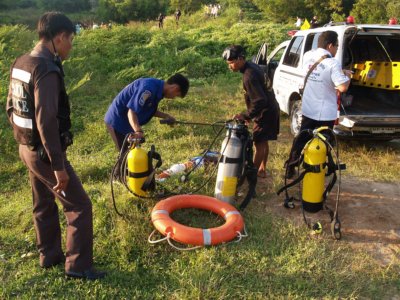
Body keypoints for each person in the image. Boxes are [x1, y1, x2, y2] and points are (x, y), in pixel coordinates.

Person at [5, 12, 105, 280]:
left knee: (43, 202)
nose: (71, 45)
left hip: (26, 149)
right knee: (80, 206)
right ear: (59, 37)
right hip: (45, 153)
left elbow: (10, 108)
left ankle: (49, 255)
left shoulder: (21, 62)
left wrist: (24, 141)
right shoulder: (46, 69)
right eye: (70, 39)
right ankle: (78, 266)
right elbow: (46, 120)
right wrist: (58, 165)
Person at [286, 31, 351, 178]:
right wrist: (347, 76)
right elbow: (342, 87)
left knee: (301, 139)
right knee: (325, 141)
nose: (336, 50)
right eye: (337, 46)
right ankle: (321, 167)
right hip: (325, 112)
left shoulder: (308, 56)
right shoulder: (332, 63)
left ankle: (291, 166)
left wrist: (339, 71)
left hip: (308, 108)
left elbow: (320, 71)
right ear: (330, 45)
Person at [222, 45, 280, 178]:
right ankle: (262, 169)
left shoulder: (249, 76)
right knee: (263, 140)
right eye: (228, 63)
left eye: (231, 63)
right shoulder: (252, 66)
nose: (229, 66)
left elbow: (260, 101)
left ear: (240, 59)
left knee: (258, 143)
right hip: (270, 108)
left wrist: (245, 115)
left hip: (265, 112)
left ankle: (252, 175)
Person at [104, 74, 189, 157]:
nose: (173, 98)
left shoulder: (158, 90)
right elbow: (131, 111)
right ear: (175, 88)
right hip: (117, 121)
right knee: (126, 158)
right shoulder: (148, 89)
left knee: (134, 157)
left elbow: (148, 108)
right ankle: (119, 171)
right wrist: (138, 131)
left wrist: (166, 116)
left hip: (129, 123)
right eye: (176, 95)